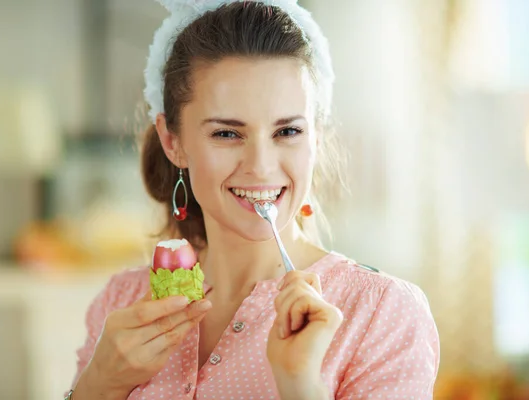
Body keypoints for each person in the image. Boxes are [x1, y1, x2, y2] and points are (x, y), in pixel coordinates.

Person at [66, 1, 440, 399]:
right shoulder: (121, 303)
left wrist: (300, 385)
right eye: (227, 134)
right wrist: (99, 384)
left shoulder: (381, 313)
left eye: (288, 132)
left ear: (316, 137)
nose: (261, 167)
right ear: (172, 141)